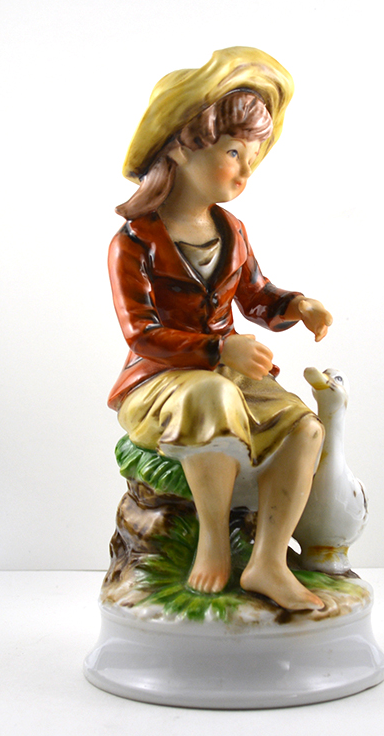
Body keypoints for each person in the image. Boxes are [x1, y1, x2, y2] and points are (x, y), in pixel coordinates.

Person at [108, 48, 333, 611]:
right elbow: (142, 334)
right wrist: (218, 350)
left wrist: (297, 305)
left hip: (226, 374)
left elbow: (255, 294)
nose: (246, 170)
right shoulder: (134, 242)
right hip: (159, 381)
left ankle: (267, 562)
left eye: (251, 156)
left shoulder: (231, 230)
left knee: (305, 428)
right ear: (182, 147)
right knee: (213, 395)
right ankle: (213, 543)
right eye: (233, 152)